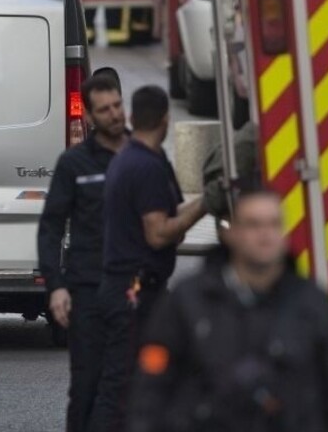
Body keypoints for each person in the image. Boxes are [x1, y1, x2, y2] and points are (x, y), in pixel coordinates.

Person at [127, 189, 328, 432]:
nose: (266, 235)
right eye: (253, 225)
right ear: (230, 233)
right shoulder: (189, 301)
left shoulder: (311, 303)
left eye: (274, 224)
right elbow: (151, 388)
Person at [89, 85, 208, 432]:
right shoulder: (144, 167)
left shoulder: (140, 159)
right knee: (121, 387)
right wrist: (205, 205)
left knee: (150, 380)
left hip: (138, 290)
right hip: (133, 292)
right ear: (166, 119)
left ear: (131, 117)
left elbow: (170, 220)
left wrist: (203, 203)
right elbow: (158, 232)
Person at [37, 74, 128, 432]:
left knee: (127, 386)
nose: (115, 115)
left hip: (130, 290)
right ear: (89, 117)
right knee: (87, 386)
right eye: (104, 110)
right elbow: (51, 227)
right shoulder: (74, 164)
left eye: (118, 105)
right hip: (87, 292)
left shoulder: (142, 157)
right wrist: (56, 286)